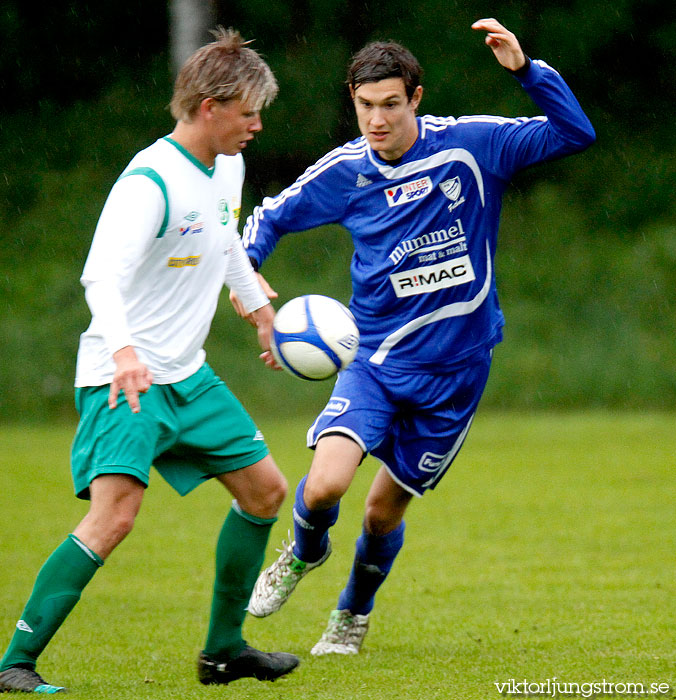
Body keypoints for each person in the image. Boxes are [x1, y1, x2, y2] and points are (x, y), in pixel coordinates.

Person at [233, 18, 595, 655]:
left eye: (391, 105)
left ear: (416, 99)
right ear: (353, 101)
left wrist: (525, 71)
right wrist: (249, 278)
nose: (377, 120)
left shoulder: (471, 146)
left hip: (457, 371)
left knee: (380, 514)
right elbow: (271, 217)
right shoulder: (346, 171)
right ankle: (303, 552)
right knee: (322, 489)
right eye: (366, 106)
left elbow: (575, 133)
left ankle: (352, 613)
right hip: (373, 359)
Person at [0, 28, 300, 693]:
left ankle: (224, 651)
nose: (257, 125)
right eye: (248, 112)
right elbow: (99, 277)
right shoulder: (148, 181)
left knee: (266, 491)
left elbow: (226, 244)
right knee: (114, 519)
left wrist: (258, 310)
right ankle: (13, 664)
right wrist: (127, 354)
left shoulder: (226, 165)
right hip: (123, 377)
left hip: (187, 375)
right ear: (208, 107)